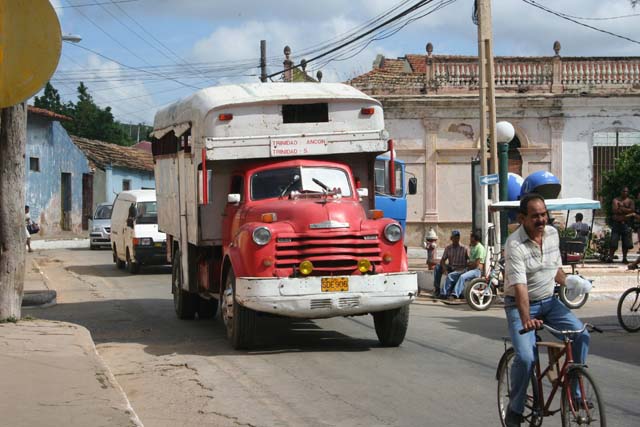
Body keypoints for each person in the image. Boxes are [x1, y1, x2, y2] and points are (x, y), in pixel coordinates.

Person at [503, 193, 590, 427]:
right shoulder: (514, 244)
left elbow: (555, 270)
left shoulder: (552, 234)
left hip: (549, 302)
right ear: (522, 218)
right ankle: (515, 408)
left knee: (581, 335)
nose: (541, 220)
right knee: (526, 357)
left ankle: (575, 394)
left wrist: (572, 282)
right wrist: (526, 319)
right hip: (520, 305)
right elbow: (520, 288)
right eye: (535, 216)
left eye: (544, 214)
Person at [447, 232, 486, 299]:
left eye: (471, 237)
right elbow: (470, 261)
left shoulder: (480, 248)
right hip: (470, 268)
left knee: (462, 276)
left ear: (474, 238)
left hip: (476, 271)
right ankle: (445, 293)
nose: (470, 239)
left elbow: (476, 264)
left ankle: (455, 294)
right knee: (451, 275)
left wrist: (468, 266)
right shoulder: (473, 247)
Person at [433, 230, 468, 298]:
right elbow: (442, 260)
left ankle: (446, 293)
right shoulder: (448, 248)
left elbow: (469, 259)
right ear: (451, 238)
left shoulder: (464, 248)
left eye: (457, 237)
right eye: (454, 237)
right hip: (451, 267)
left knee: (452, 275)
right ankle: (437, 289)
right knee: (437, 267)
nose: (456, 239)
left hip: (460, 268)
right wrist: (444, 268)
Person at [608, 186, 635, 264]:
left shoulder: (630, 201)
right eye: (623, 191)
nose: (625, 193)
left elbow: (632, 211)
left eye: (626, 191)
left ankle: (625, 258)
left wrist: (622, 208)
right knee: (613, 242)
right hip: (616, 224)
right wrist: (626, 210)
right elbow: (615, 210)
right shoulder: (615, 200)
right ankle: (610, 257)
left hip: (626, 224)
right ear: (621, 192)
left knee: (626, 243)